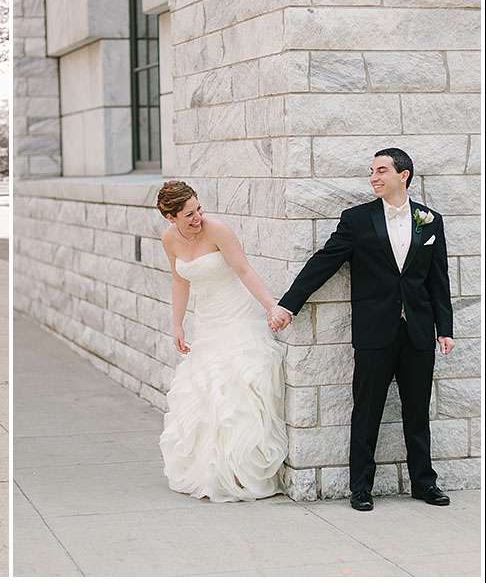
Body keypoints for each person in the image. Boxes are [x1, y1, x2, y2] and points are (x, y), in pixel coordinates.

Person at [269, 148, 454, 511]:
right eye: (371, 171)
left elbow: (438, 280)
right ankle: (361, 488)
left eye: (381, 170)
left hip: (418, 332)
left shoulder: (430, 221)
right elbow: (323, 263)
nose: (373, 177)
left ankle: (424, 483)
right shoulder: (356, 220)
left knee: (417, 412)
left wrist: (443, 329)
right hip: (375, 333)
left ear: (404, 175)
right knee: (367, 411)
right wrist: (289, 304)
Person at [157, 181, 288, 502]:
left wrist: (271, 305)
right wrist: (177, 323)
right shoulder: (169, 239)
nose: (197, 217)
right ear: (171, 217)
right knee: (206, 391)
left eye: (198, 209)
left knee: (236, 388)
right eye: (189, 214)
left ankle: (241, 470)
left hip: (238, 315)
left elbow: (243, 270)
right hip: (208, 321)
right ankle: (213, 469)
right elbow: (179, 280)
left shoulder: (218, 230)